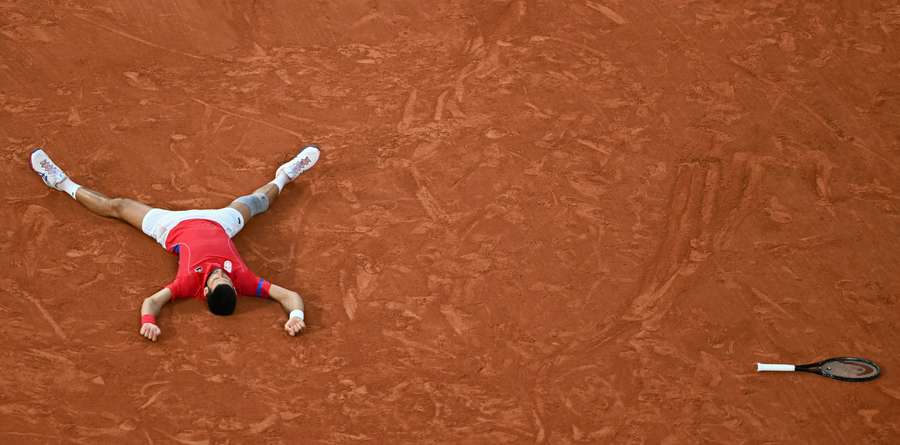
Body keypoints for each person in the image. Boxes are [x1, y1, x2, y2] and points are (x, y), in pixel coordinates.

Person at [29, 146, 320, 342]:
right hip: (220, 222)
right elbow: (290, 295)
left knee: (117, 206)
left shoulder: (186, 284)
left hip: (169, 227)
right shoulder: (243, 281)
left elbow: (152, 301)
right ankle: (284, 176)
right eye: (227, 279)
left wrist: (148, 321)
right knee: (257, 202)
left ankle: (59, 182)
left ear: (205, 292)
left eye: (218, 279)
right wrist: (296, 315)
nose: (222, 274)